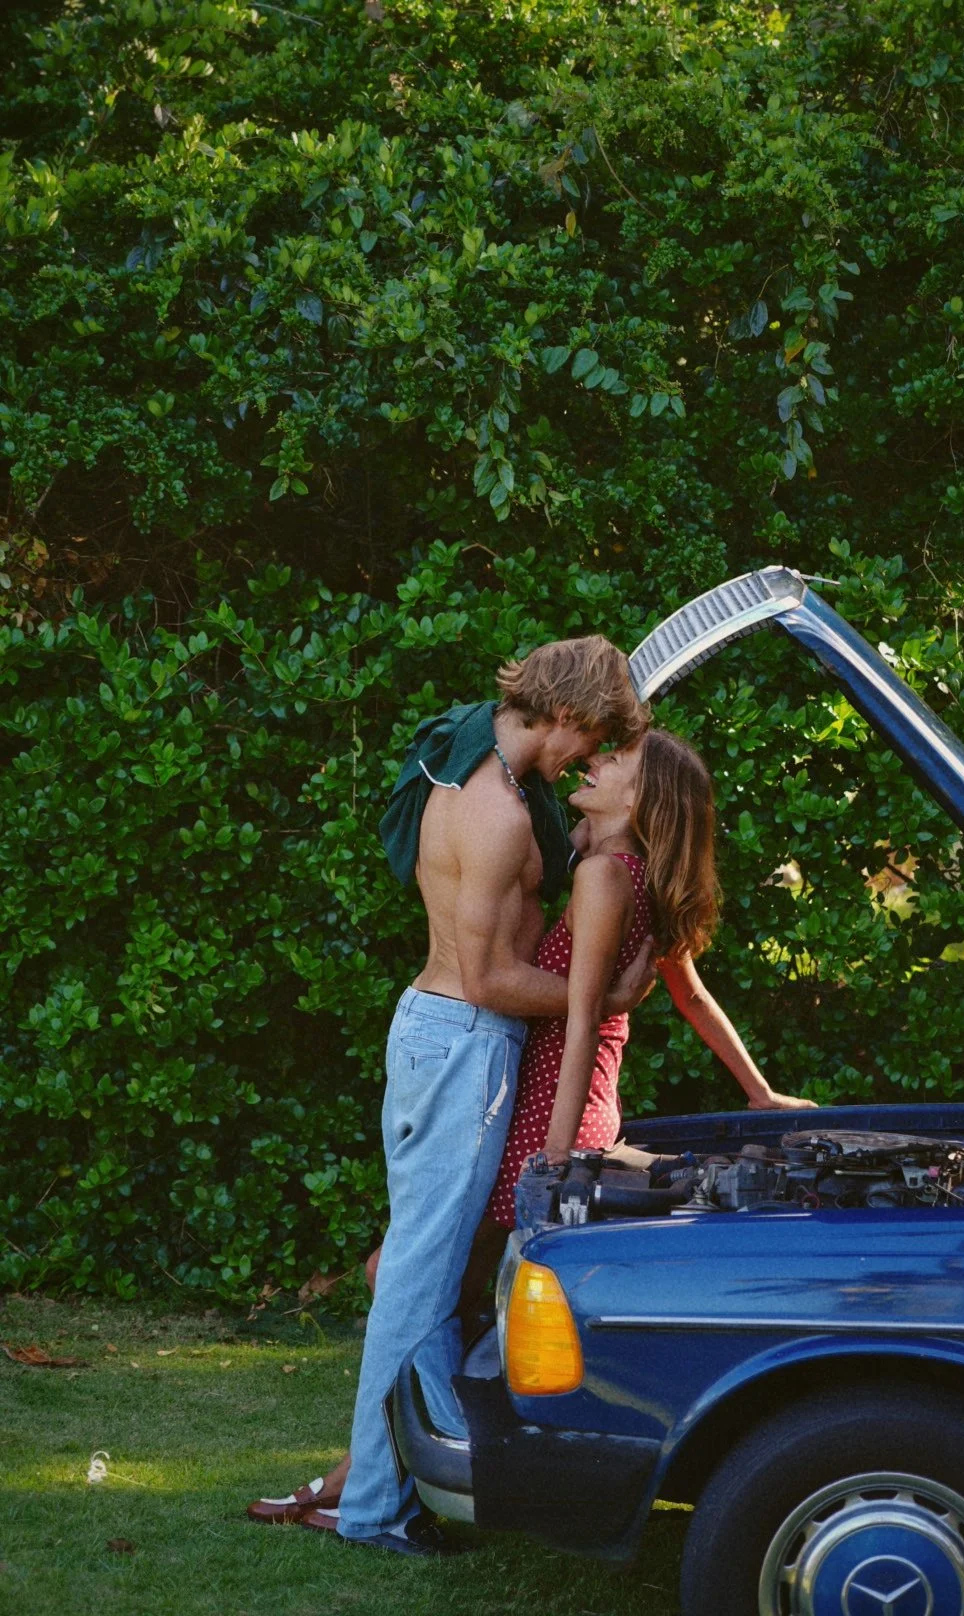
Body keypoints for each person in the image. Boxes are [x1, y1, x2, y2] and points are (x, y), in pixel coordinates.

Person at [248, 728, 814, 1532]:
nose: (594, 763)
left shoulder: (603, 878)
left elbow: (582, 1018)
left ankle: (411, 1468)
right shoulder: (629, 870)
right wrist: (757, 1092)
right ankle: (367, 1471)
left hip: (553, 1106)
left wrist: (553, 1154)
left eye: (613, 763)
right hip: (566, 1101)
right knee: (442, 1289)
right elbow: (687, 996)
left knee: (402, 1277)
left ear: (642, 799)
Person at [248, 635, 652, 1555]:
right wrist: (604, 997)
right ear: (562, 714)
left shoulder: (476, 758)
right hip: (464, 1038)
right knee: (418, 1283)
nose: (584, 761)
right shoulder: (498, 814)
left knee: (421, 1276)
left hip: (452, 1041)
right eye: (585, 742)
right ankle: (371, 1510)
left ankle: (386, 1488)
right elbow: (486, 978)